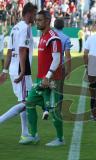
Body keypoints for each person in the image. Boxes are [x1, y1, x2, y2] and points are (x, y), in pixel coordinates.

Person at [20, 10, 64, 147]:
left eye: (39, 20)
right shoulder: (42, 36)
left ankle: (60, 139)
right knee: (30, 103)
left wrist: (48, 76)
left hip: (52, 81)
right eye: (36, 20)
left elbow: (57, 59)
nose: (36, 22)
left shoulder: (53, 37)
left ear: (47, 21)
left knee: (54, 110)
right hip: (41, 79)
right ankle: (34, 135)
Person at [0, 2, 37, 144]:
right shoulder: (25, 28)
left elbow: (9, 51)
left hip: (14, 68)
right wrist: (23, 72)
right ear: (28, 14)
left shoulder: (14, 28)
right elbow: (22, 50)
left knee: (25, 101)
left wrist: (4, 70)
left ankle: (25, 133)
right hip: (21, 70)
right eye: (34, 14)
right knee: (27, 101)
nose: (35, 17)